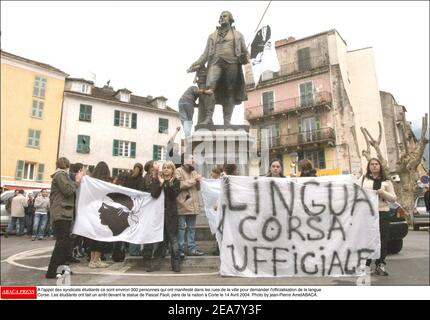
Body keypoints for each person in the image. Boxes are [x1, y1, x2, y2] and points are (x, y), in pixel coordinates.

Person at [187, 10, 249, 125]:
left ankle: (227, 121)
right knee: (209, 88)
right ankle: (209, 118)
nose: (222, 18)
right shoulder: (212, 36)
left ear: (230, 19)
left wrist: (244, 57)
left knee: (230, 91)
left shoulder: (239, 35)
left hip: (232, 63)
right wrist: (196, 64)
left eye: (224, 16)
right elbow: (205, 54)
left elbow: (246, 52)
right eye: (220, 16)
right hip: (215, 63)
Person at [46, 157, 84, 279]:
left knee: (64, 243)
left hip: (64, 213)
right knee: (62, 243)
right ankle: (52, 271)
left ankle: (61, 269)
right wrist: (77, 181)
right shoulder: (60, 175)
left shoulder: (61, 175)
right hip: (61, 213)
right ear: (66, 165)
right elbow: (68, 190)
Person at [359, 158, 397, 276]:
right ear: (368, 166)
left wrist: (383, 193)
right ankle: (366, 264)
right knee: (367, 239)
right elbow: (356, 193)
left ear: (380, 166)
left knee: (382, 239)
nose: (374, 166)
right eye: (372, 164)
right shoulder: (363, 179)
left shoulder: (386, 181)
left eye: (376, 164)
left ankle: (380, 264)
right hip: (367, 213)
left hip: (382, 212)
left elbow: (393, 198)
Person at [150, 161, 182, 272]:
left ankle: (176, 264)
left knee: (173, 241)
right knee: (158, 241)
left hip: (171, 215)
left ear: (172, 170)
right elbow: (154, 194)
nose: (166, 169)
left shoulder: (176, 181)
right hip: (159, 215)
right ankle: (155, 265)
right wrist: (160, 183)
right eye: (164, 168)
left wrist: (168, 184)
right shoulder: (157, 180)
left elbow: (174, 195)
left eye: (169, 168)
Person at [176, 154, 204, 258]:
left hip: (193, 204)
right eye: (192, 158)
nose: (193, 160)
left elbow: (198, 188)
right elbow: (179, 185)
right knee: (181, 228)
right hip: (183, 204)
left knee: (192, 228)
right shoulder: (178, 171)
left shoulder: (194, 171)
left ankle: (192, 248)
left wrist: (199, 181)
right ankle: (180, 249)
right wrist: (194, 180)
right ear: (185, 160)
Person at [88, 162, 111, 268]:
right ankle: (96, 260)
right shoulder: (104, 183)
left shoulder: (91, 182)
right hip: (102, 212)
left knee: (93, 236)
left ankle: (93, 259)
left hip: (92, 212)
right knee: (101, 237)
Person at [123, 162, 146, 256]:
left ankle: (132, 250)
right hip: (137, 206)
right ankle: (134, 250)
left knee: (131, 228)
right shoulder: (141, 179)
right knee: (136, 228)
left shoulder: (128, 179)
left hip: (128, 205)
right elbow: (141, 192)